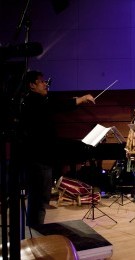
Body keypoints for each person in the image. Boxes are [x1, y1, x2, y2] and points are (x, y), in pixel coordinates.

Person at [21, 70, 95, 227]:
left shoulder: (36, 101)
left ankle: (35, 233)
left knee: (40, 200)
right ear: (32, 85)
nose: (45, 84)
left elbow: (56, 104)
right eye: (41, 81)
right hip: (38, 160)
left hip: (41, 159)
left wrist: (77, 100)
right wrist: (81, 99)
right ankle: (35, 235)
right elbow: (58, 105)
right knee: (39, 200)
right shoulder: (34, 102)